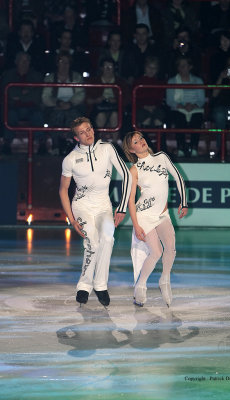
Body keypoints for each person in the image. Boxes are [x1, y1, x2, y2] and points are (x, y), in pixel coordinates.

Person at [59, 116, 132, 307]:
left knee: (107, 239)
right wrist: (72, 219)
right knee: (92, 241)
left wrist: (122, 208)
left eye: (89, 129)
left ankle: (101, 285)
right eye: (82, 132)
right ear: (76, 138)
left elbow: (127, 176)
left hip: (104, 206)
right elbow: (62, 190)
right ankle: (84, 285)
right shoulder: (71, 159)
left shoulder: (107, 149)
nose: (88, 133)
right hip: (81, 206)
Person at [122, 131, 188, 307]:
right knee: (156, 252)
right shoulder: (134, 170)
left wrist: (184, 202)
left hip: (163, 214)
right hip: (144, 215)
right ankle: (141, 285)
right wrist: (136, 225)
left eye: (141, 138)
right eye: (136, 141)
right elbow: (130, 200)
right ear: (131, 148)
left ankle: (164, 280)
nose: (141, 141)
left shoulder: (161, 157)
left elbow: (178, 177)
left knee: (171, 249)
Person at [42, 51, 85, 154]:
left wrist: (70, 104)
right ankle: (56, 145)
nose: (64, 65)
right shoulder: (50, 78)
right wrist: (57, 103)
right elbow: (45, 96)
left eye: (67, 62)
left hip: (73, 106)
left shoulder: (77, 77)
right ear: (57, 63)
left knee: (74, 117)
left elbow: (81, 94)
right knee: (57, 116)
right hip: (55, 106)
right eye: (62, 61)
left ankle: (72, 145)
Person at [1, 51, 44, 154]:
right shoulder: (7, 75)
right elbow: (7, 92)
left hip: (32, 108)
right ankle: (7, 144)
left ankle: (41, 144)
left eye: (27, 60)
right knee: (9, 115)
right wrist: (26, 92)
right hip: (13, 107)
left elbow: (37, 96)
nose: (25, 63)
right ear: (16, 62)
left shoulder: (37, 76)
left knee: (38, 116)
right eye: (22, 60)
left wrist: (18, 95)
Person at [166, 55, 205, 157]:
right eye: (180, 66)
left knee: (197, 119)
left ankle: (194, 147)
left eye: (185, 65)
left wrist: (194, 105)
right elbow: (170, 101)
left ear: (190, 67)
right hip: (178, 108)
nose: (182, 68)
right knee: (179, 119)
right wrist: (182, 106)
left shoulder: (198, 81)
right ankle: (181, 147)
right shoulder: (172, 81)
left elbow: (201, 99)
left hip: (195, 108)